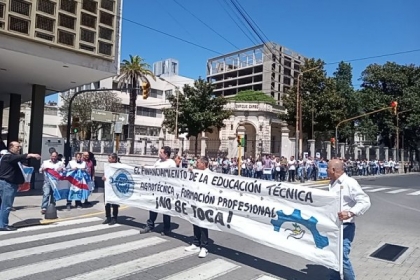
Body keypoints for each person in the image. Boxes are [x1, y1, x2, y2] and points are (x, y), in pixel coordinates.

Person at [328, 159, 371, 280]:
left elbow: (365, 201)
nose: (325, 170)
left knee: (342, 257)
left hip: (345, 227)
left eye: (327, 168)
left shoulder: (349, 183)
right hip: (334, 227)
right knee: (333, 257)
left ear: (333, 170)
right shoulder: (332, 183)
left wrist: (350, 213)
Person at [0, 142, 41, 231]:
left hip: (7, 184)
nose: (19, 148)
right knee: (6, 205)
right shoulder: (8, 156)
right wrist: (31, 155)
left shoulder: (11, 158)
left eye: (20, 147)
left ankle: (2, 223)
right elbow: (20, 157)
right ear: (11, 147)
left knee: (3, 205)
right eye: (17, 147)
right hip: (7, 184)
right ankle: (3, 225)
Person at [139, 146, 176, 235]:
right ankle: (150, 225)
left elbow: (174, 175)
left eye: (161, 152)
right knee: (153, 207)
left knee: (165, 210)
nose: (159, 153)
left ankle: (166, 228)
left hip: (166, 190)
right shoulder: (158, 162)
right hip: (157, 190)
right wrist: (145, 168)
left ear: (166, 154)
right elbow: (153, 169)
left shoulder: (171, 163)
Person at [185, 156, 211, 258]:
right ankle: (196, 243)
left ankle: (204, 246)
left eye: (198, 163)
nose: (196, 164)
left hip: (204, 204)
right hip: (195, 202)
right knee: (195, 222)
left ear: (204, 164)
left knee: (203, 224)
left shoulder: (210, 175)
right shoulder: (197, 172)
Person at [102, 153, 119, 225]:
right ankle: (108, 217)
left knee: (115, 203)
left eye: (110, 158)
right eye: (108, 158)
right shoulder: (107, 166)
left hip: (115, 187)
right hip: (108, 187)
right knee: (107, 202)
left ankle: (114, 218)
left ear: (114, 159)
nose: (108, 160)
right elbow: (105, 174)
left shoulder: (119, 166)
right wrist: (103, 177)